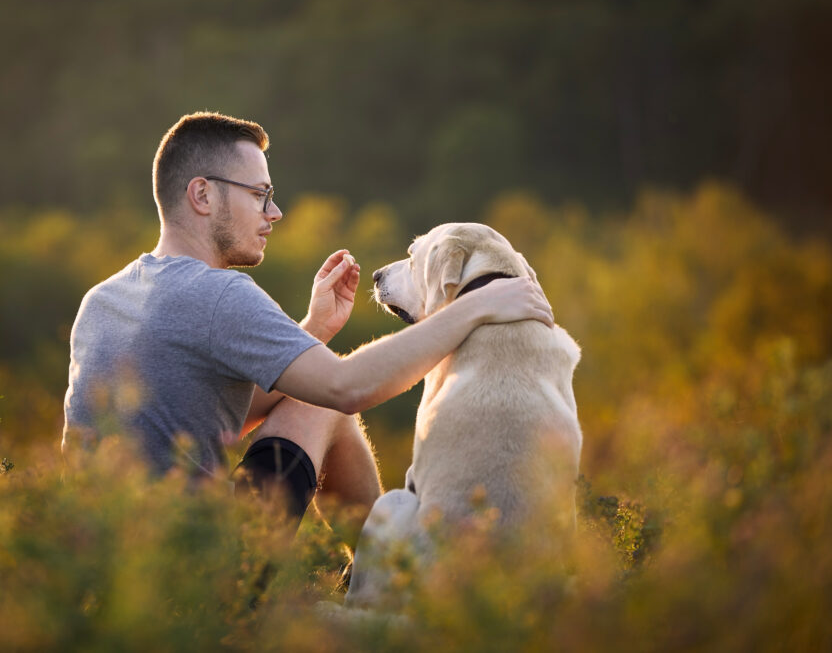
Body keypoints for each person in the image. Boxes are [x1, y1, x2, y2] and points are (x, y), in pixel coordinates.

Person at [62, 111, 553, 535]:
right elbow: (346, 388)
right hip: (199, 577)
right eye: (260, 194)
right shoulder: (216, 293)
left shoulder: (101, 300)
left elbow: (219, 415)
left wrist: (312, 330)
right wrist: (476, 305)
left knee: (310, 398)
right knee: (326, 405)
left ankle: (375, 577)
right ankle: (386, 582)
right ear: (202, 195)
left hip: (105, 575)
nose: (274, 212)